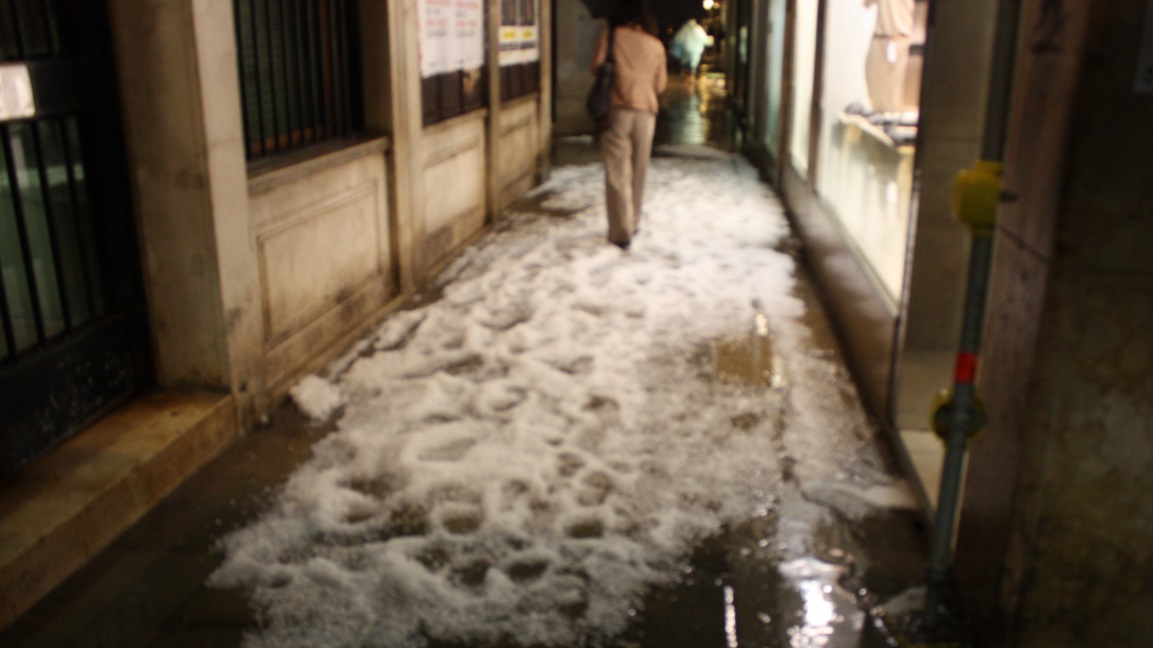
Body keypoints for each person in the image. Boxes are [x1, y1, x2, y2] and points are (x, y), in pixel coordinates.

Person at [590, 0, 667, 251]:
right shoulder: (656, 45)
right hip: (646, 111)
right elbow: (661, 85)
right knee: (639, 167)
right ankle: (633, 221)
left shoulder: (611, 35)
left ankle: (620, 231)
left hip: (617, 109)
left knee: (617, 169)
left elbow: (596, 67)